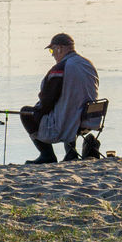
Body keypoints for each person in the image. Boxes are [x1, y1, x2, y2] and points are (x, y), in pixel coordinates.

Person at [20, 32, 99, 164]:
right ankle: (71, 152)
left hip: (71, 119)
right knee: (68, 108)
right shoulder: (87, 64)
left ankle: (47, 155)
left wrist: (38, 110)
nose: (52, 54)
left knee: (25, 112)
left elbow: (47, 100)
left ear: (60, 48)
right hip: (90, 118)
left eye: (52, 50)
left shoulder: (60, 68)